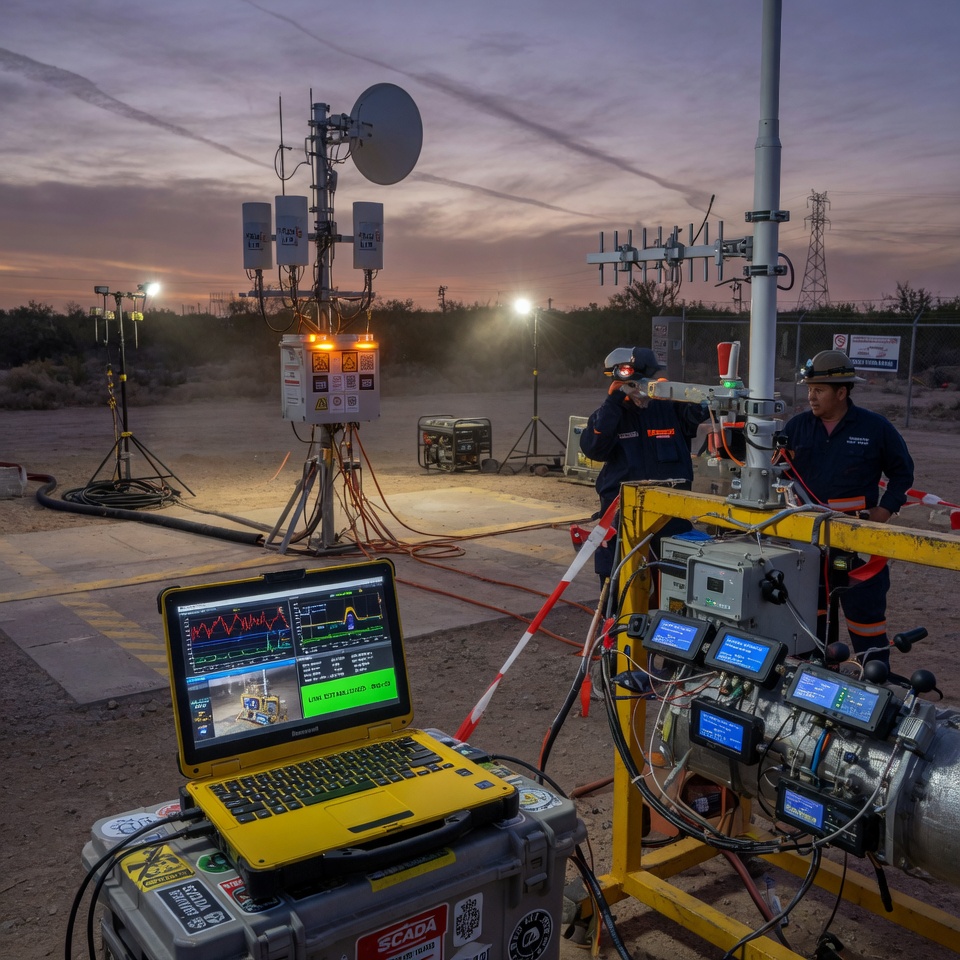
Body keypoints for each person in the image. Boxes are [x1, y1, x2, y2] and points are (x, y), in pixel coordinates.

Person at [781, 349, 915, 664]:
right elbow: (776, 474)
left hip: (857, 544)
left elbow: (902, 472)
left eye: (819, 391)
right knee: (810, 622)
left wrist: (885, 510)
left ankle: (873, 684)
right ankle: (813, 686)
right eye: (809, 389)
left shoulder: (874, 428)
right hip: (807, 543)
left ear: (841, 392)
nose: (811, 397)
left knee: (866, 621)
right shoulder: (796, 427)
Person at [580, 346, 709, 587]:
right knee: (619, 586)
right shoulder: (610, 415)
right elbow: (594, 448)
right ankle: (616, 623)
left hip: (671, 514)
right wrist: (615, 401)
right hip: (624, 516)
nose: (641, 391)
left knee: (676, 584)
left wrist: (708, 396)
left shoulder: (670, 408)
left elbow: (702, 408)